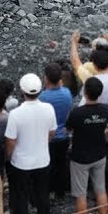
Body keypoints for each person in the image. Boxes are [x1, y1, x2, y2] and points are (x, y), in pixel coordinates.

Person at [4, 73, 58, 214]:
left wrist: (8, 157)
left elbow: (11, 141)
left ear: (22, 91)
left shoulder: (15, 114)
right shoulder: (49, 108)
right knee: (42, 195)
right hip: (42, 160)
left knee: (21, 197)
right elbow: (52, 133)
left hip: (21, 163)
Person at [64, 78, 108, 214]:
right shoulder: (106, 109)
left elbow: (68, 129)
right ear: (100, 93)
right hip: (100, 154)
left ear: (85, 93)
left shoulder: (77, 112)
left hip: (80, 157)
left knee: (81, 194)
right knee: (101, 190)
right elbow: (106, 126)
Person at [38, 63, 74, 201]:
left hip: (48, 137)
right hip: (63, 135)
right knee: (61, 164)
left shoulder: (42, 97)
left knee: (49, 165)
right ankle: (61, 191)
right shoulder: (67, 93)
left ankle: (50, 191)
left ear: (46, 78)